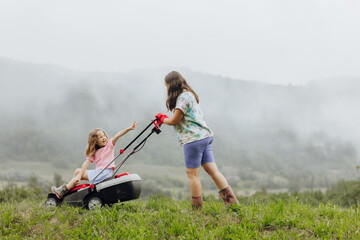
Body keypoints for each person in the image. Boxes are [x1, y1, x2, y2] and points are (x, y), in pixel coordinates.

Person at [156, 71, 239, 209]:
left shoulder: (182, 98)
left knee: (192, 175)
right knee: (213, 171)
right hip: (205, 136)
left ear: (172, 85)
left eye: (167, 87)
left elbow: (175, 120)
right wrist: (165, 119)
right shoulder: (189, 94)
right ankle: (232, 203)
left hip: (193, 140)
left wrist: (162, 119)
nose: (167, 90)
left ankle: (197, 210)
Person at [51, 121, 138, 199]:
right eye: (100, 137)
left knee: (78, 173)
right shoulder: (95, 151)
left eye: (104, 135)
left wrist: (129, 129)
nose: (104, 137)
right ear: (95, 141)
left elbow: (118, 135)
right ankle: (68, 188)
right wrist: (79, 176)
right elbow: (86, 163)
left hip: (104, 174)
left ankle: (64, 190)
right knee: (78, 171)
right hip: (100, 173)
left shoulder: (110, 145)